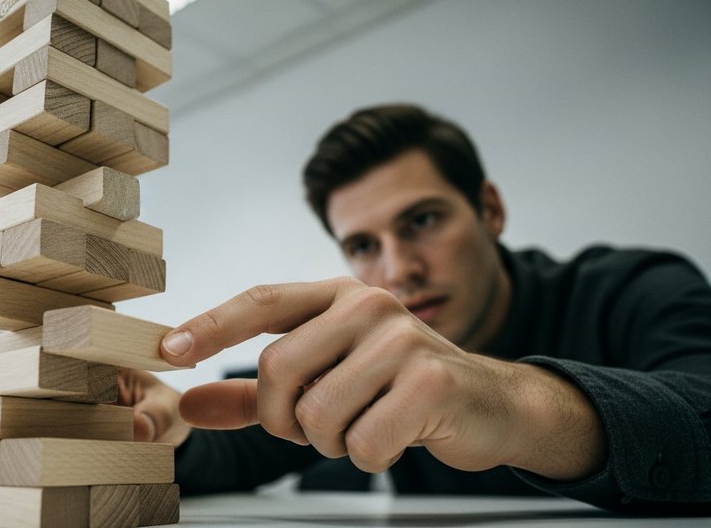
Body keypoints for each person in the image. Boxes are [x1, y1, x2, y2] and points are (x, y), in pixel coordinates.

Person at [117, 104, 711, 515]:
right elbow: (250, 443)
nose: (398, 270)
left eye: (422, 221)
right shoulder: (368, 345)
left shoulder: (636, 287)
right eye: (363, 246)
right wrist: (174, 433)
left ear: (491, 210)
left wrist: (507, 402)